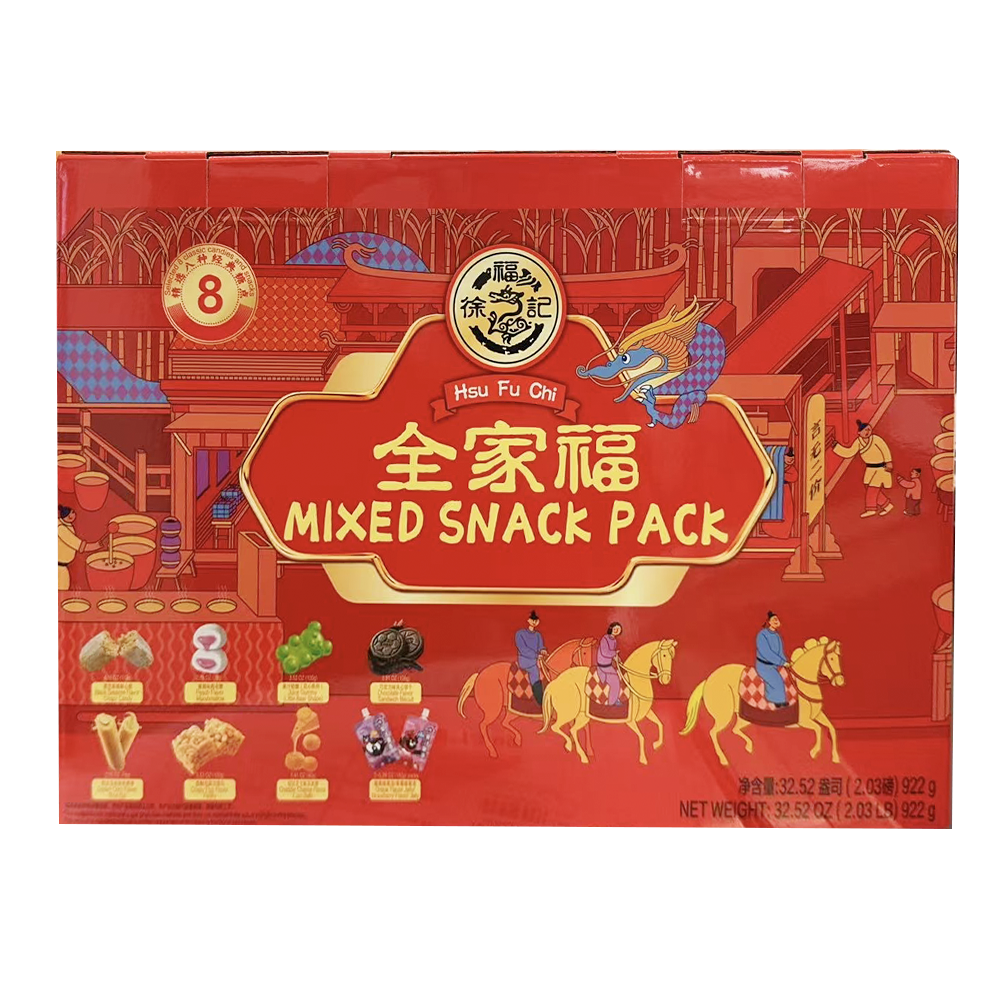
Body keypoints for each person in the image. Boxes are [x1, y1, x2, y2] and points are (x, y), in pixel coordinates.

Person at [834, 420, 894, 518]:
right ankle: (887, 505)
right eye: (865, 430)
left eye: (869, 430)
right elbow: (849, 453)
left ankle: (871, 509)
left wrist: (888, 462)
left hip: (881, 468)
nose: (867, 432)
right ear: (859, 432)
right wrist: (835, 446)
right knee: (870, 487)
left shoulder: (876, 439)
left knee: (872, 489)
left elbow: (885, 449)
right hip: (870, 469)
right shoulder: (858, 442)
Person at [58, 505, 99, 591]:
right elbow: (79, 545)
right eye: (67, 515)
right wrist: (97, 545)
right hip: (59, 569)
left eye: (72, 512)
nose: (71, 516)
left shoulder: (62, 524)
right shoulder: (61, 529)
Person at [755, 611, 789, 708]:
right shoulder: (762, 635)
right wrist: (781, 662)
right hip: (764, 666)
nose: (776, 621)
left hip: (774, 665)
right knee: (777, 681)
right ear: (769, 622)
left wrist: (786, 662)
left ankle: (777, 700)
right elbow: (766, 653)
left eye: (777, 619)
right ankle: (778, 702)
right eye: (774, 619)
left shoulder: (777, 636)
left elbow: (780, 652)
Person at [514, 610, 548, 705]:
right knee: (535, 671)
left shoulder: (538, 635)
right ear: (528, 620)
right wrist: (536, 656)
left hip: (536, 659)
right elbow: (523, 649)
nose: (534, 621)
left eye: (536, 620)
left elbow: (540, 646)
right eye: (532, 619)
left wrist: (543, 650)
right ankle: (540, 701)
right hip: (525, 660)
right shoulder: (520, 634)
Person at [596, 622, 624, 706]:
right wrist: (614, 653)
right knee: (615, 682)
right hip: (603, 666)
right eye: (615, 629)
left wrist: (617, 658)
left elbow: (612, 653)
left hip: (609, 664)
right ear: (611, 629)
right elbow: (605, 652)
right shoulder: (604, 639)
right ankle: (612, 702)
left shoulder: (614, 640)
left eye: (618, 629)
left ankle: (614, 698)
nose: (616, 631)